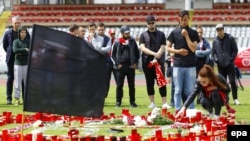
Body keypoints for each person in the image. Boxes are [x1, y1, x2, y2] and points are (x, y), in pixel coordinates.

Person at [166, 10, 200, 111]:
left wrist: (186, 36)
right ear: (179, 19)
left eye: (185, 20)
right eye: (181, 20)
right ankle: (177, 111)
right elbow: (168, 48)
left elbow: (194, 48)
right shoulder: (174, 32)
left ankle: (191, 111)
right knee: (177, 90)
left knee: (190, 90)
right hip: (178, 65)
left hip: (191, 66)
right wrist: (178, 51)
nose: (183, 22)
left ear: (188, 19)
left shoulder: (193, 33)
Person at [139, 15, 171, 109]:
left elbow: (163, 46)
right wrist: (154, 54)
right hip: (147, 63)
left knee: (161, 82)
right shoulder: (143, 35)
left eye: (152, 23)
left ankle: (164, 102)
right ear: (146, 24)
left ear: (155, 22)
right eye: (149, 23)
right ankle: (152, 102)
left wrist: (157, 57)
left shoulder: (161, 34)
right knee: (149, 83)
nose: (151, 25)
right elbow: (142, 47)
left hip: (159, 62)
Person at [3, 16, 30, 104]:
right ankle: (9, 98)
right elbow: (5, 45)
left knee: (23, 79)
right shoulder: (7, 33)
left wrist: (21, 52)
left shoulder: (26, 32)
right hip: (11, 59)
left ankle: (24, 98)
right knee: (11, 78)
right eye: (15, 23)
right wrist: (12, 52)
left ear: (20, 23)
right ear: (12, 23)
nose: (17, 24)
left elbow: (29, 45)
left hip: (23, 60)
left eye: (18, 22)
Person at [111, 25, 140, 107]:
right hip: (120, 67)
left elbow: (137, 53)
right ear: (122, 33)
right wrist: (117, 64)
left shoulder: (132, 41)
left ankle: (132, 102)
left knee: (132, 85)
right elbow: (112, 55)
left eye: (128, 33)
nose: (128, 34)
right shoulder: (117, 42)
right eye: (126, 33)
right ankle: (118, 102)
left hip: (131, 67)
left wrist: (135, 63)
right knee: (119, 85)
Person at [212, 23, 239, 105]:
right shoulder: (215, 40)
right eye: (218, 30)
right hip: (220, 65)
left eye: (220, 30)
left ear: (223, 30)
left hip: (230, 64)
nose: (219, 32)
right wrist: (216, 59)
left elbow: (235, 50)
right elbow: (213, 52)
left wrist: (231, 59)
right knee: (222, 83)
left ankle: (235, 99)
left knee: (232, 81)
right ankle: (224, 99)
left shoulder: (230, 38)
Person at [12, 26, 30, 105]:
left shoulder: (29, 41)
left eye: (25, 32)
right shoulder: (15, 41)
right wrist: (25, 50)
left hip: (26, 64)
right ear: (19, 33)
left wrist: (21, 52)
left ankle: (26, 99)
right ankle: (17, 99)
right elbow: (15, 50)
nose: (23, 34)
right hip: (18, 64)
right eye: (22, 32)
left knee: (27, 83)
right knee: (17, 83)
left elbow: (30, 51)